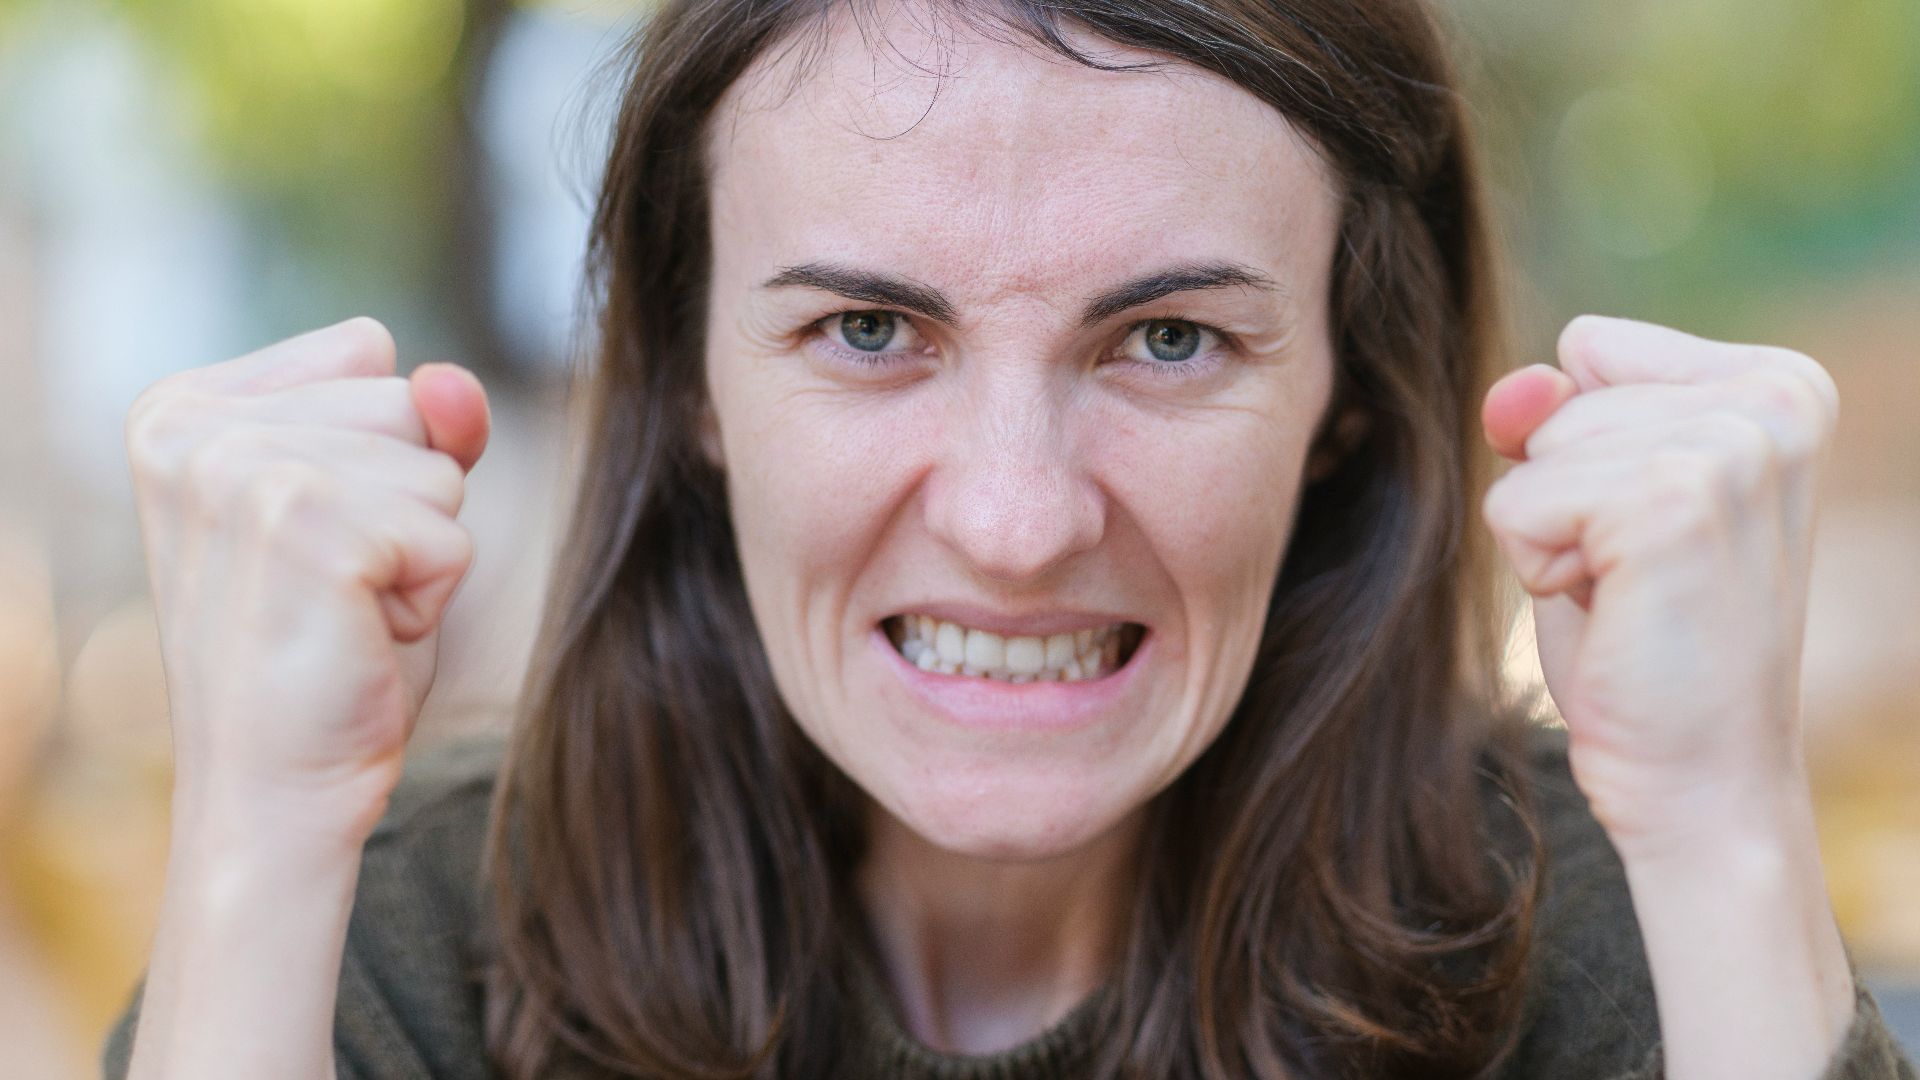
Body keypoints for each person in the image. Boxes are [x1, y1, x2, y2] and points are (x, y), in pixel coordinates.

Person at [101, 0, 1919, 1077]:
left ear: (1352, 389)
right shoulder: (406, 937)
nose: (1016, 520)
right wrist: (259, 839)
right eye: (871, 333)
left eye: (1169, 339)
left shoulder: (1576, 935)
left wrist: (1722, 834)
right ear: (695, 383)